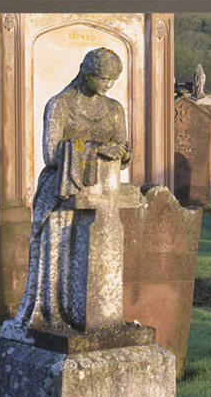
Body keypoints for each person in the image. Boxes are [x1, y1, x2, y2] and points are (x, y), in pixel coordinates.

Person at [13, 48, 131, 331]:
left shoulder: (114, 109)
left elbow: (125, 150)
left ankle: (95, 316)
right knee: (59, 256)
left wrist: (119, 152)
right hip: (61, 193)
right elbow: (51, 155)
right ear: (86, 73)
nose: (107, 85)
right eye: (102, 79)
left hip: (104, 193)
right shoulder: (60, 105)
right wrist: (95, 150)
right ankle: (55, 313)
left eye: (112, 80)